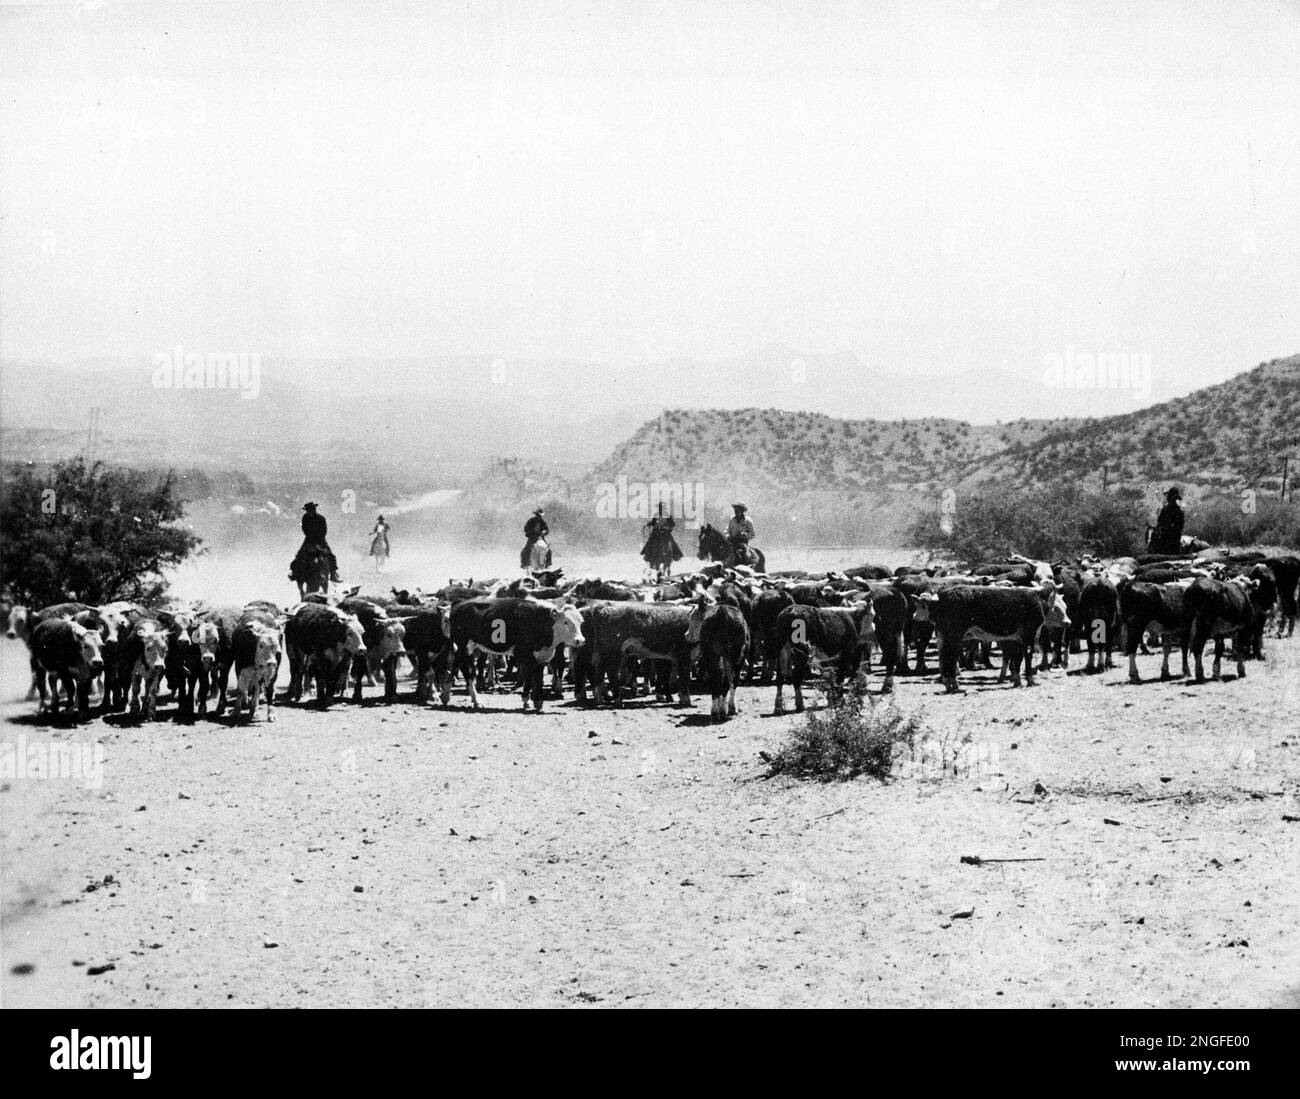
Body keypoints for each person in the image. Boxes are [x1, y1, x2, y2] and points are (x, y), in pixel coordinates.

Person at [291, 502, 340, 584]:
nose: (308, 512)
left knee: (331, 556)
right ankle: (294, 573)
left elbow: (324, 531)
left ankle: (333, 574)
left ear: (313, 509)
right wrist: (310, 538)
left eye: (309, 510)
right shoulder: (305, 517)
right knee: (299, 554)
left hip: (320, 540)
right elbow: (304, 529)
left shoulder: (321, 518)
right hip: (309, 540)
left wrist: (317, 541)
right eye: (307, 510)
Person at [640, 502, 683, 579]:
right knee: (650, 542)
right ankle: (648, 554)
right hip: (656, 533)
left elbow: (673, 524)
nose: (660, 509)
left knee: (672, 543)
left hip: (665, 533)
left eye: (661, 508)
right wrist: (649, 523)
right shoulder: (656, 515)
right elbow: (653, 523)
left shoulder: (668, 515)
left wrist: (667, 527)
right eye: (659, 508)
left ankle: (675, 554)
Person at [1150, 486, 1185, 554]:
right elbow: (1159, 521)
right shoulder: (1165, 509)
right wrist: (1160, 528)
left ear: (1174, 498)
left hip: (1173, 539)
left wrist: (1168, 529)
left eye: (1171, 496)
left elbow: (1179, 528)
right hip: (1163, 536)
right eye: (1169, 496)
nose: (1168, 498)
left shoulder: (1179, 512)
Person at [520, 507, 551, 572]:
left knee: (548, 550)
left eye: (540, 515)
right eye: (538, 515)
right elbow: (526, 530)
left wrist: (544, 532)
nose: (539, 517)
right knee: (526, 550)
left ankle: (548, 564)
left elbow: (547, 529)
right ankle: (525, 564)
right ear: (536, 515)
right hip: (532, 538)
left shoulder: (543, 522)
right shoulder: (531, 521)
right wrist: (533, 533)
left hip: (541, 538)